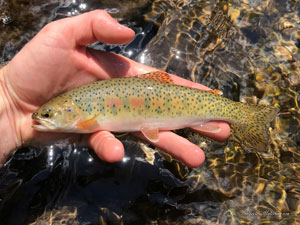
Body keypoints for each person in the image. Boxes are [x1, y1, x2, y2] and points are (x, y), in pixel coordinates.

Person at [0, 10, 230, 168]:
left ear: (69, 109)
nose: (40, 117)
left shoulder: (82, 114)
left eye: (48, 114)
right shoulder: (78, 109)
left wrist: (7, 93)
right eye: (46, 115)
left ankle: (240, 114)